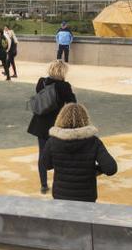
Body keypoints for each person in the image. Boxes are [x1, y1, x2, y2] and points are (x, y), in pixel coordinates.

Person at [39, 104, 117, 202]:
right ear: (85, 119)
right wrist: (94, 170)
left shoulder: (53, 141)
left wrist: (62, 164)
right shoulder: (93, 141)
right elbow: (111, 169)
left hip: (61, 196)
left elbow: (46, 165)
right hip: (86, 197)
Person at [28, 60, 77, 194]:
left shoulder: (41, 82)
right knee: (60, 154)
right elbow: (73, 103)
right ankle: (59, 182)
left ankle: (43, 184)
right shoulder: (64, 86)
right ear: (62, 71)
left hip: (40, 123)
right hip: (57, 124)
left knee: (42, 153)